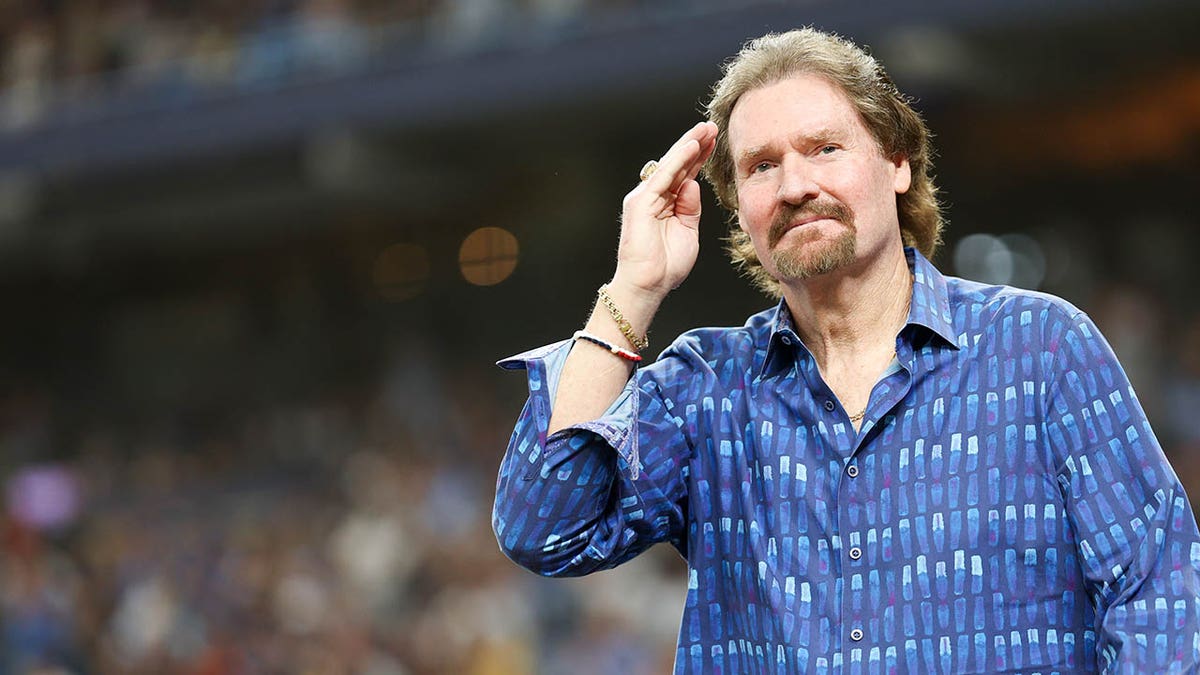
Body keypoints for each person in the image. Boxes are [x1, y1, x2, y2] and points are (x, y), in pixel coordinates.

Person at [492, 27, 1200, 673]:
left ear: (897, 162)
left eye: (825, 148)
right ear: (738, 209)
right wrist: (633, 288)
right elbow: (544, 527)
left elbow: (1161, 593)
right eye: (762, 167)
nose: (797, 185)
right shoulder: (704, 387)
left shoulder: (1042, 348)